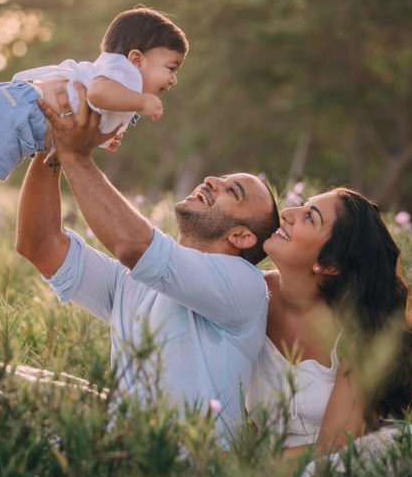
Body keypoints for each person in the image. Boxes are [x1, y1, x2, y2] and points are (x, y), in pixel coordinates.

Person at [14, 82, 280, 442]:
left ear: (242, 237)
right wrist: (54, 148)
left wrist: (77, 154)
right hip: (122, 457)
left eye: (232, 191)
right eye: (222, 178)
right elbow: (40, 244)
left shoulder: (244, 284)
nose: (212, 180)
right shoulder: (135, 280)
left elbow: (133, 245)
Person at [0, 7, 188, 269]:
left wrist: (107, 136)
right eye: (171, 68)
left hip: (9, 100)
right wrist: (141, 103)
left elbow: (96, 111)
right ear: (137, 59)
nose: (173, 79)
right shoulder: (125, 74)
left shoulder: (119, 79)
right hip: (22, 111)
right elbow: (98, 94)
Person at [247, 187, 412, 459]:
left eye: (310, 217)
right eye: (302, 205)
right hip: (265, 459)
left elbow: (336, 444)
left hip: (331, 458)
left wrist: (247, 465)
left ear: (328, 264)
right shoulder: (246, 293)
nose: (287, 213)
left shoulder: (358, 331)